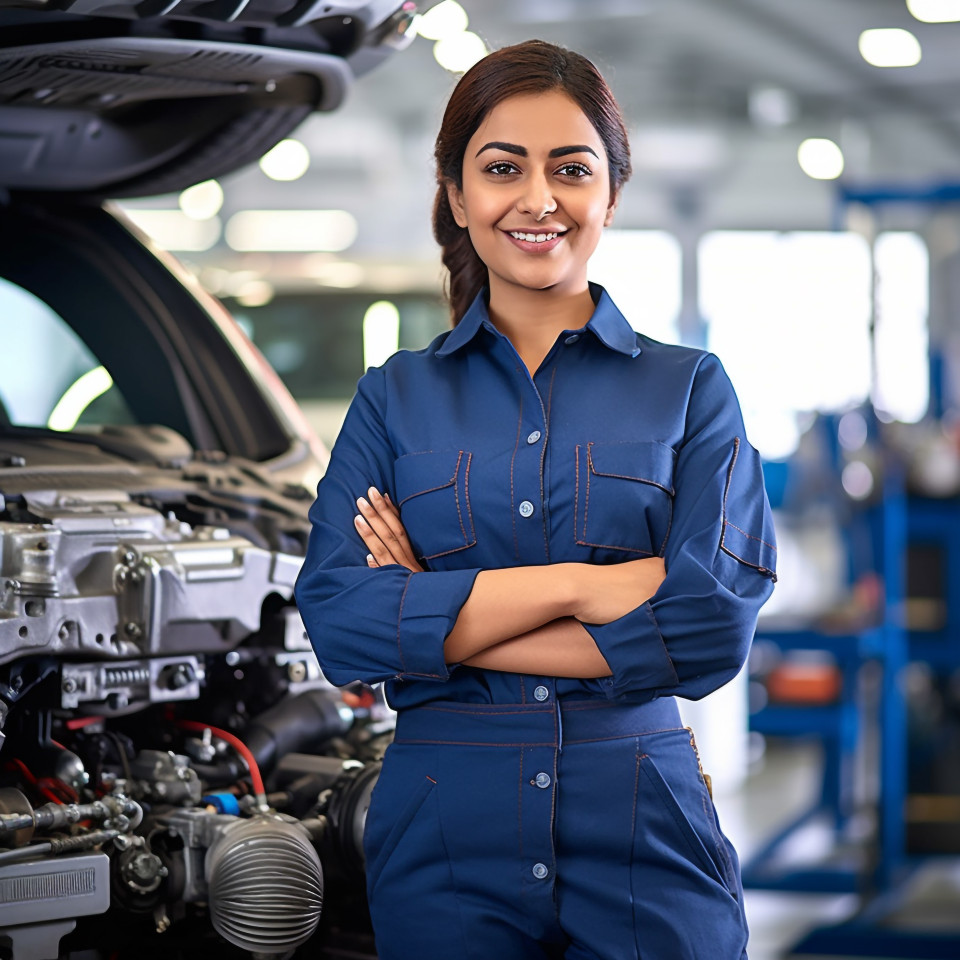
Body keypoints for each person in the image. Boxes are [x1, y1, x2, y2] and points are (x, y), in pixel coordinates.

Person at [295, 38, 777, 960]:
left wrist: (435, 616)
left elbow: (711, 625)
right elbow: (344, 630)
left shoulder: (690, 389)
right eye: (502, 167)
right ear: (456, 194)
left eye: (572, 168)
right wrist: (586, 587)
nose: (538, 198)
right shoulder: (392, 399)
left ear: (612, 193)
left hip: (645, 823)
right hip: (442, 836)